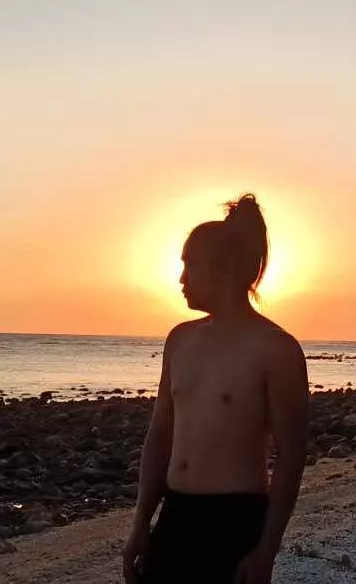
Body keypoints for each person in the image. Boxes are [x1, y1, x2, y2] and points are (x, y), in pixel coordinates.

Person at [123, 194, 310, 584]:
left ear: (223, 269)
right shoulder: (179, 340)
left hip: (235, 523)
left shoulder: (276, 350)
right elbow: (160, 436)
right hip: (174, 516)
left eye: (190, 265)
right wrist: (141, 523)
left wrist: (266, 551)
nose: (181, 279)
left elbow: (291, 457)